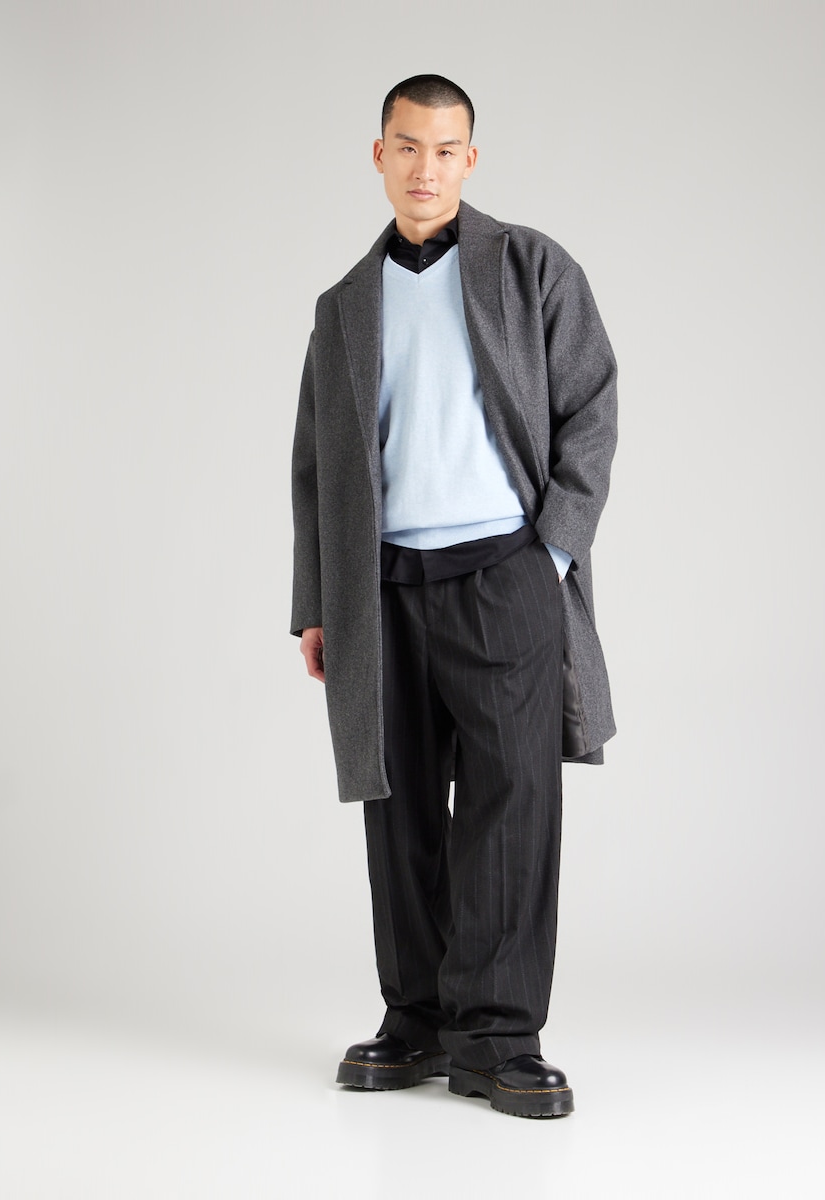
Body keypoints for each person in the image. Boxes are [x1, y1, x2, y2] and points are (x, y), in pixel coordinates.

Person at [290, 74, 617, 1119]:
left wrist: (549, 556)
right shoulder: (344, 306)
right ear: (378, 155)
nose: (425, 169)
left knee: (511, 805)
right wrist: (317, 602)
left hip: (504, 576)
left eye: (445, 150)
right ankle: (418, 1020)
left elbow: (592, 409)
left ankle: (501, 1037)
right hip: (383, 589)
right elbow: (315, 467)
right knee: (397, 809)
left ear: (470, 160)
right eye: (407, 147)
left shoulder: (531, 266)